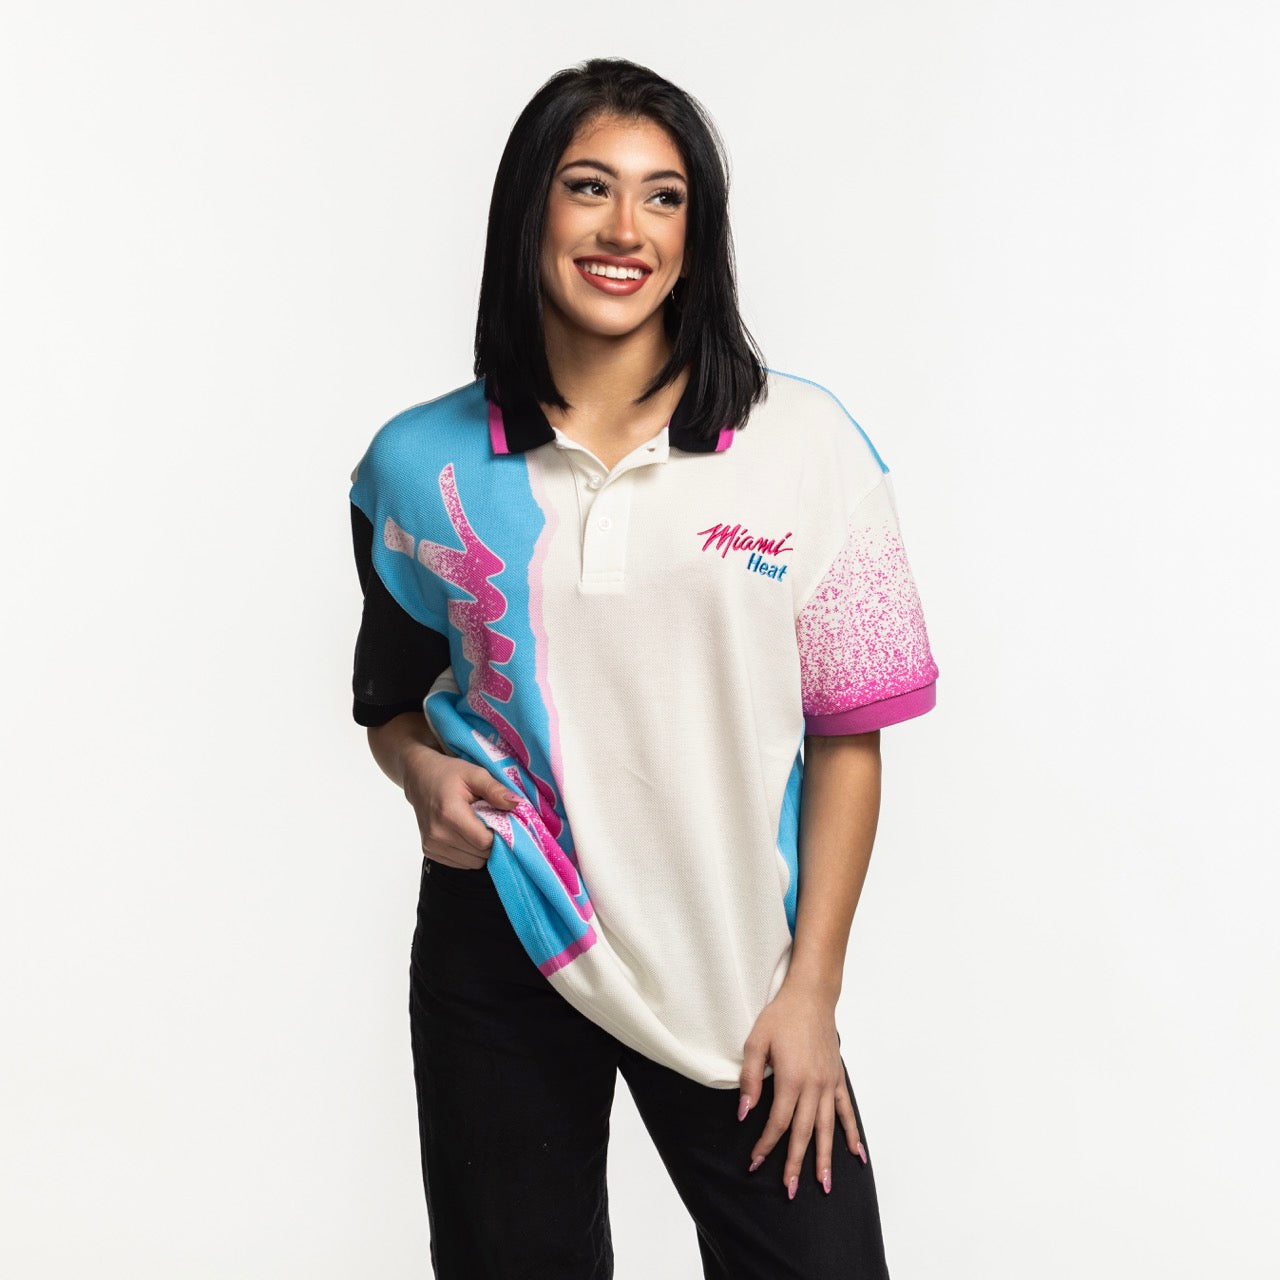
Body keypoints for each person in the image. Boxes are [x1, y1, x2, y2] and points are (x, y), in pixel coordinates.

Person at [348, 56, 939, 1280]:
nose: (625, 230)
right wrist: (418, 775)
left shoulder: (809, 446)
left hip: (731, 959)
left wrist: (810, 990)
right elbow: (392, 703)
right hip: (506, 932)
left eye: (663, 197)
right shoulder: (414, 464)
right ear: (531, 212)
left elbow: (848, 738)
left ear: (696, 231)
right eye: (588, 188)